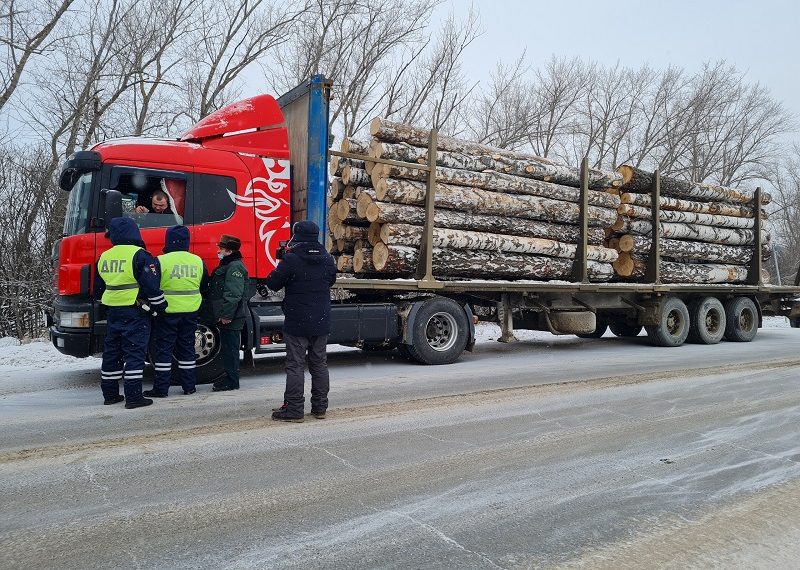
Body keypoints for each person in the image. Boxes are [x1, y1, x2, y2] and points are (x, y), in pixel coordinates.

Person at [266, 220, 337, 422]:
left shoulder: (292, 259)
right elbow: (330, 281)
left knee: (296, 365)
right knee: (319, 364)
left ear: (297, 235)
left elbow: (273, 282)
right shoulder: (327, 259)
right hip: (321, 319)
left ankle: (295, 409)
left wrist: (283, 263)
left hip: (297, 320)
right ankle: (320, 407)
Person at [95, 217, 166, 409]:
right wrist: (161, 305)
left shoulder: (104, 256)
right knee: (134, 353)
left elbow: (98, 289)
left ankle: (110, 395)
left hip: (113, 312)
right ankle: (134, 397)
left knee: (112, 353)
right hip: (135, 312)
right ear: (134, 232)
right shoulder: (140, 255)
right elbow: (151, 285)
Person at [144, 225, 209, 398]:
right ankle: (189, 386)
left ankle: (161, 388)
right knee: (187, 348)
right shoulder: (198, 261)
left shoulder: (160, 261)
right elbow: (204, 287)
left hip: (167, 312)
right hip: (190, 311)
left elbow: (152, 285)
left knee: (164, 350)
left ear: (168, 241)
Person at [206, 234, 248, 392]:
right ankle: (229, 375)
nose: (219, 251)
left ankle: (232, 381)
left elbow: (233, 294)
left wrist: (226, 315)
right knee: (227, 348)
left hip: (232, 317)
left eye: (221, 249)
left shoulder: (234, 266)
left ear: (229, 251)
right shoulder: (229, 264)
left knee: (231, 350)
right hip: (229, 315)